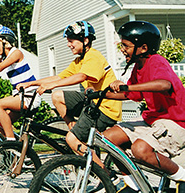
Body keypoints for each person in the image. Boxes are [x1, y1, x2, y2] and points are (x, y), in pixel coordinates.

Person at [102, 21, 185, 193]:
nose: (122, 50)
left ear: (143, 48)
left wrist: (128, 86)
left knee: (140, 150)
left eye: (126, 45)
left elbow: (164, 84)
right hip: (155, 121)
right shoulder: (137, 68)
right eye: (121, 45)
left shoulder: (156, 61)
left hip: (179, 123)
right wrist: (99, 94)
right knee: (107, 138)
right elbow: (130, 94)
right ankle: (133, 185)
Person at [17, 20, 121, 155]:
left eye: (71, 41)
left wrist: (52, 85)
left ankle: (103, 173)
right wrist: (31, 83)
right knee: (57, 96)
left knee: (71, 140)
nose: (68, 45)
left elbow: (81, 77)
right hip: (92, 102)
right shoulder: (79, 61)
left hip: (105, 109)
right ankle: (74, 128)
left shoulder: (93, 56)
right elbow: (59, 77)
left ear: (85, 40)